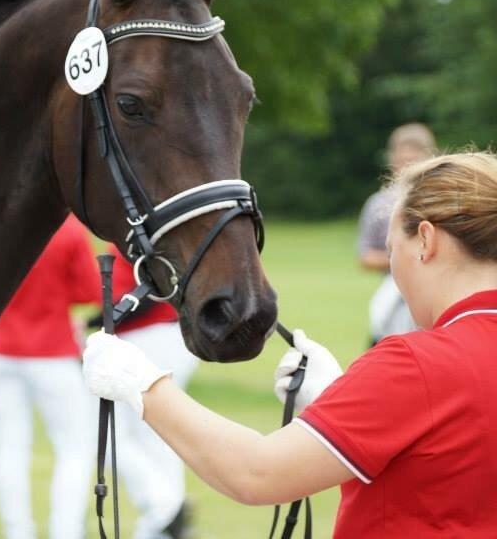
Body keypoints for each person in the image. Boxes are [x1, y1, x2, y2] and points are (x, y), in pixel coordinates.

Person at [83, 151, 497, 537]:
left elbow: (257, 473)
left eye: (393, 249)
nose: (393, 266)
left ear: (425, 241)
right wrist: (338, 400)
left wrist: (142, 384)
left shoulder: (416, 364)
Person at [0, 215, 98, 539]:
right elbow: (90, 290)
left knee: (10, 445)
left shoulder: (5, 222)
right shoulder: (69, 229)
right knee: (75, 447)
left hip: (2, 351)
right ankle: (66, 531)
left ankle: (18, 532)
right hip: (53, 354)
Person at [107, 247, 197, 539]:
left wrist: (97, 324)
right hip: (169, 335)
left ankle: (165, 508)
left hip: (146, 338)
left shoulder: (132, 241)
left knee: (111, 441)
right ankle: (163, 524)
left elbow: (142, 297)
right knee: (160, 437)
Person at [358, 123, 436, 344]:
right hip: (394, 288)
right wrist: (406, 256)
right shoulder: (379, 204)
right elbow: (365, 256)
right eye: (402, 160)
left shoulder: (441, 202)